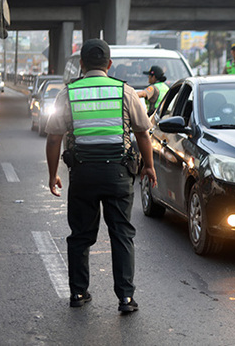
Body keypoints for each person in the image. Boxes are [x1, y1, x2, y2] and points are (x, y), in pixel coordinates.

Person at [44, 38, 157, 313]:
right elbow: (143, 133)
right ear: (109, 64)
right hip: (118, 174)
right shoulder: (125, 91)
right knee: (121, 235)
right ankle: (126, 299)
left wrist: (52, 175)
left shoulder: (67, 93)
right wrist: (149, 167)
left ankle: (78, 293)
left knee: (81, 235)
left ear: (81, 64)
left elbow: (53, 138)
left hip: (83, 175)